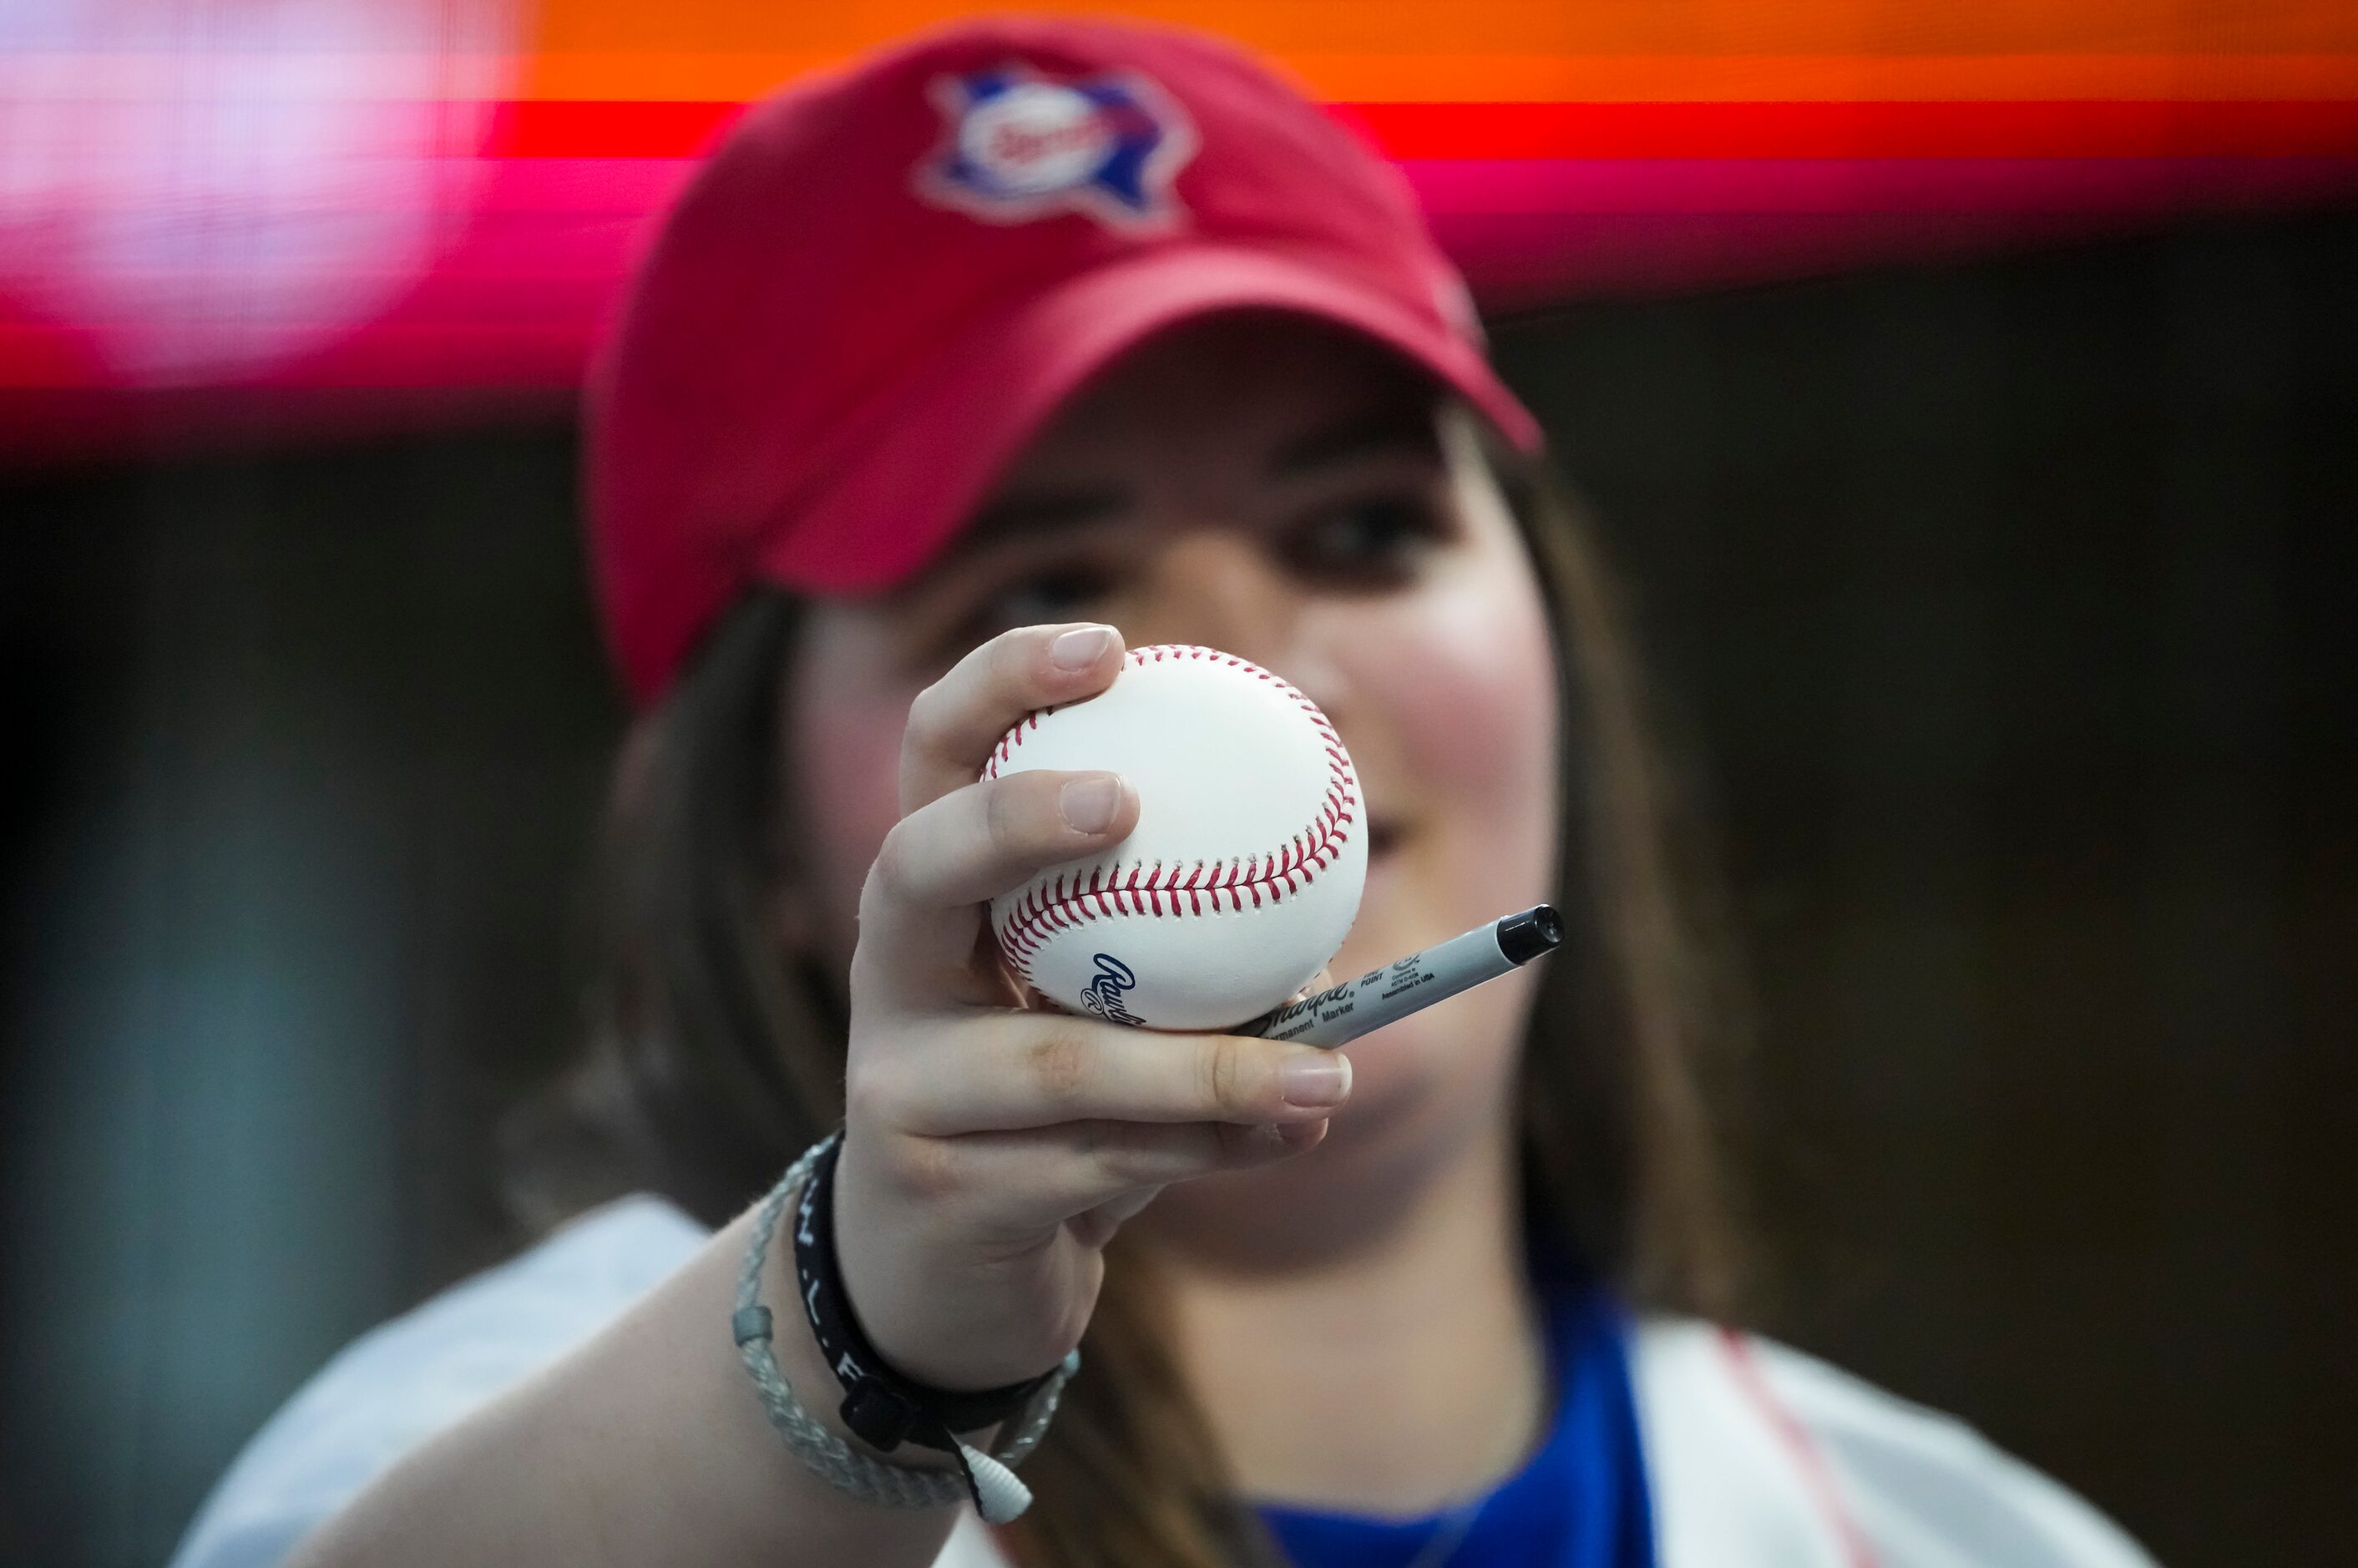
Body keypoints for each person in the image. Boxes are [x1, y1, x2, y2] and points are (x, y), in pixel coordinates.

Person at [170, 16, 2160, 1568]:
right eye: (1039, 587)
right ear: (752, 832)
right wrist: (858, 1342)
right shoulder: (485, 1451)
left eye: (1364, 528)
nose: (1268, 687)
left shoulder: (1947, 1534)